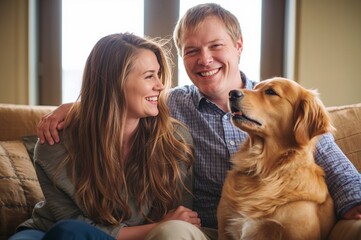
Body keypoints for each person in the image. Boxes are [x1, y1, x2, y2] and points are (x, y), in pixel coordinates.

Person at [37, 3, 361, 239]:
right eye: (191, 51)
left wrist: (355, 201)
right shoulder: (173, 105)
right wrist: (77, 107)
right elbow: (125, 100)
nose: (204, 59)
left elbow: (331, 160)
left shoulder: (280, 102)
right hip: (208, 229)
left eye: (215, 46)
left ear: (238, 47)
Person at [10, 33, 209, 240]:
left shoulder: (175, 139)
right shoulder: (55, 143)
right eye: (149, 76)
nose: (160, 85)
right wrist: (154, 228)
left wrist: (161, 228)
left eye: (158, 74)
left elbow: (181, 219)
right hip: (52, 232)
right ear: (114, 82)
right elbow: (68, 223)